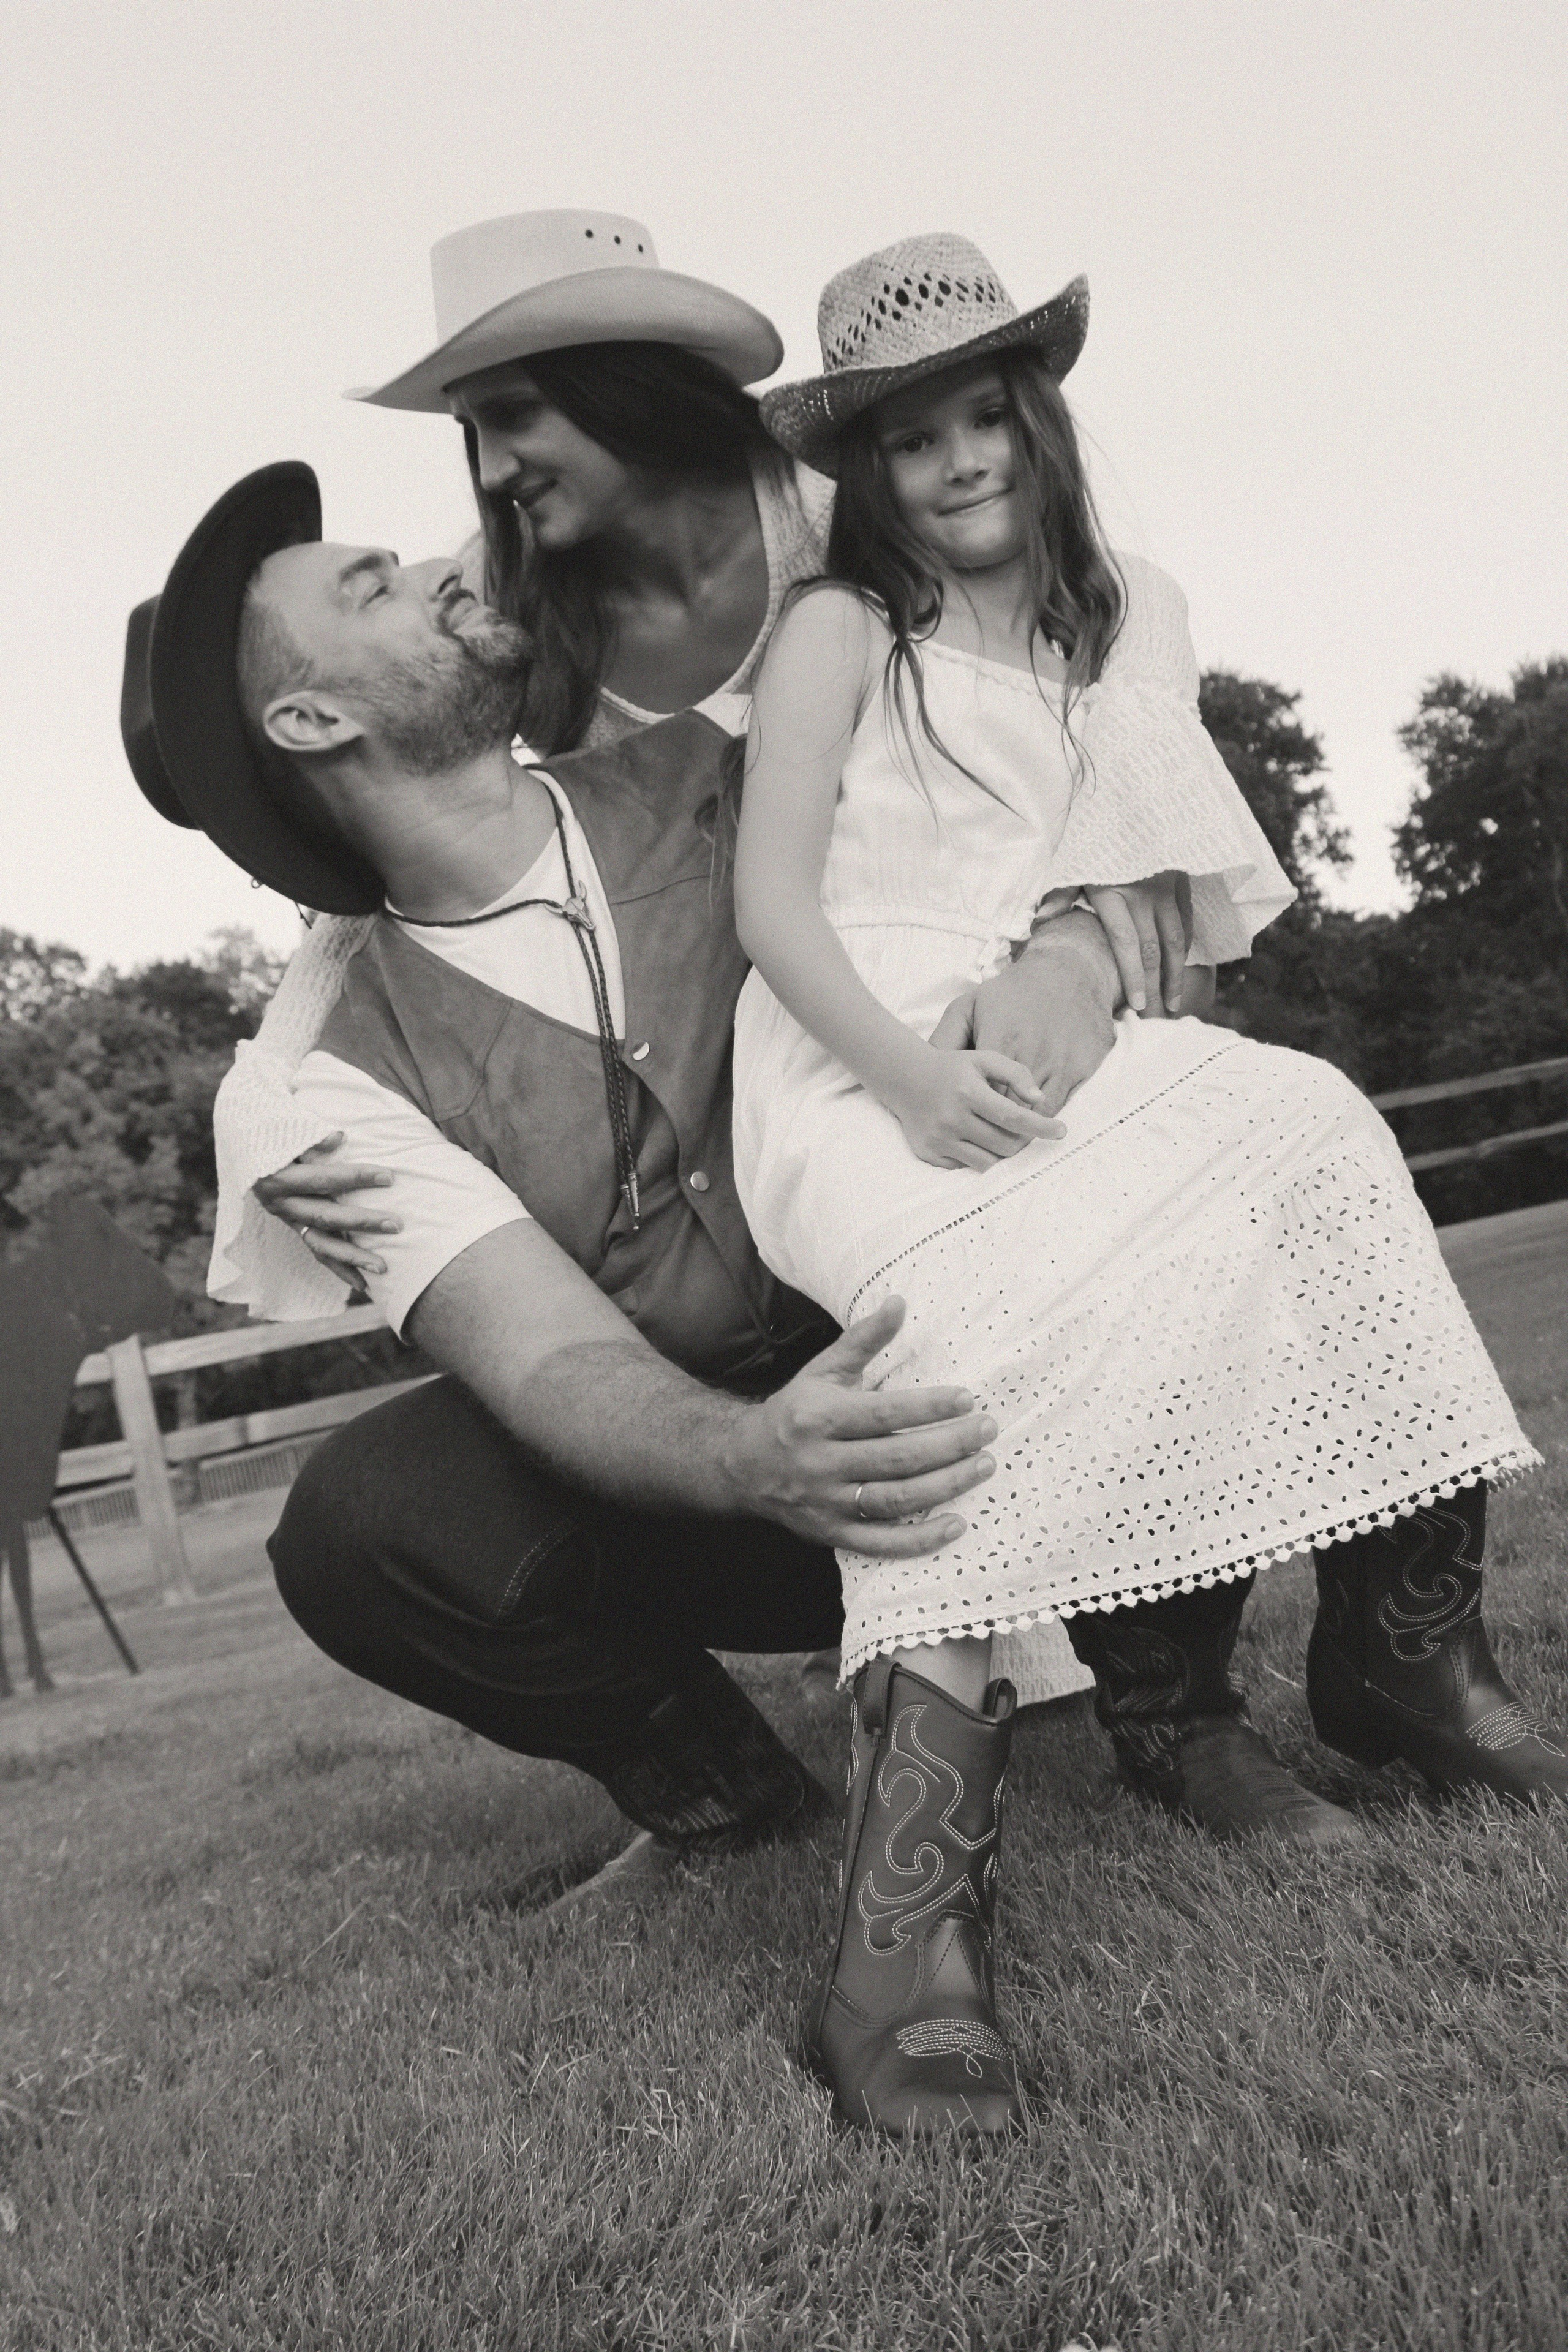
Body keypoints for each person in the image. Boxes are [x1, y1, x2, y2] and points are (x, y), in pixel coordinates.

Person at [730, 233, 1562, 2136]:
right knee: (979, 1304)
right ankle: (908, 1928)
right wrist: (899, 1072)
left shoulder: (1131, 618)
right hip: (850, 1056)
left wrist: (1054, 999)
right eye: (909, 435)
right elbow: (776, 903)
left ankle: (1405, 1659)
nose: (956, 460)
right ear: (862, 467)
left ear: (1040, 412)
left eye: (983, 413)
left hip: (1062, 1036)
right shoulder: (840, 632)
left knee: (1318, 1128)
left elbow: (1146, 884)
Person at [121, 459, 1171, 1924]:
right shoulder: (323, 1080)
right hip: (720, 1482)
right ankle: (727, 1806)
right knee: (365, 1521)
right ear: (314, 720)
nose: (438, 571)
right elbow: (547, 1354)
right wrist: (763, 1460)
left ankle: (1159, 1681)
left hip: (974, 1342)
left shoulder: (721, 765)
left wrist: (1068, 952)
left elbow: (1035, 807)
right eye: (371, 587)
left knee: (1147, 1184)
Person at [208, 209, 1186, 1715]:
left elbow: (1063, 713)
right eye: (473, 431)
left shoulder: (852, 517)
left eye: (513, 415)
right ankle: (738, 1759)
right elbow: (408, 847)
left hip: (926, 1006)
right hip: (775, 1096)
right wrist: (269, 1096)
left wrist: (1076, 941)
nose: (489, 472)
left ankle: (1148, 1676)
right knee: (401, 1496)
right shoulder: (509, 602)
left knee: (1120, 1137)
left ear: (624, 384)